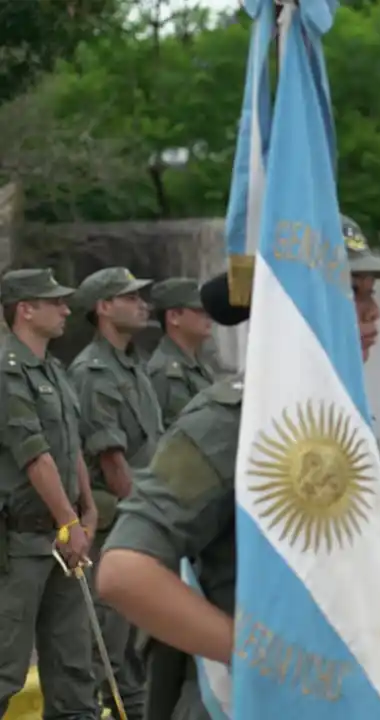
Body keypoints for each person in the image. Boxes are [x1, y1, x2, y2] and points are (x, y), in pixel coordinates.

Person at [95, 225, 380, 720]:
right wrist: (276, 664)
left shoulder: (340, 418)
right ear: (287, 302)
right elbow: (125, 572)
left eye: (370, 293)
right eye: (351, 291)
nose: (372, 312)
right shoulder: (235, 419)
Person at [0, 269, 99, 719]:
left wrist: (86, 509)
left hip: (61, 537)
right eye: (54, 302)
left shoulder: (54, 371)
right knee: (6, 666)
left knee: (73, 668)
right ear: (25, 309)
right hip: (19, 541)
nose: (65, 309)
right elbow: (33, 454)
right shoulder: (8, 369)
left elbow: (69, 445)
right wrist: (69, 520)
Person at [68, 266, 162, 720]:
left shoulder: (132, 365)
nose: (142, 304)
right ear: (104, 307)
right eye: (130, 297)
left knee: (134, 647)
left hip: (138, 519)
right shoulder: (93, 372)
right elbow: (112, 463)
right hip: (118, 525)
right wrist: (153, 518)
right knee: (108, 646)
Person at [146, 278, 215, 427]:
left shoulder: (197, 364)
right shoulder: (165, 371)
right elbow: (183, 429)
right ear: (174, 317)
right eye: (200, 311)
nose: (209, 316)